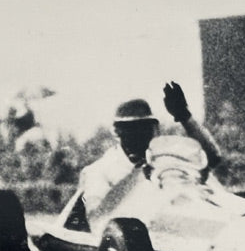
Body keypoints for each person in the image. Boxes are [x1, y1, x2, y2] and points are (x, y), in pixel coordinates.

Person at [77, 82, 222, 214]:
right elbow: (96, 216)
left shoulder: (166, 159)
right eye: (132, 128)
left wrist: (184, 115)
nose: (141, 133)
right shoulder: (100, 171)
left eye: (146, 126)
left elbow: (213, 159)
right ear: (117, 131)